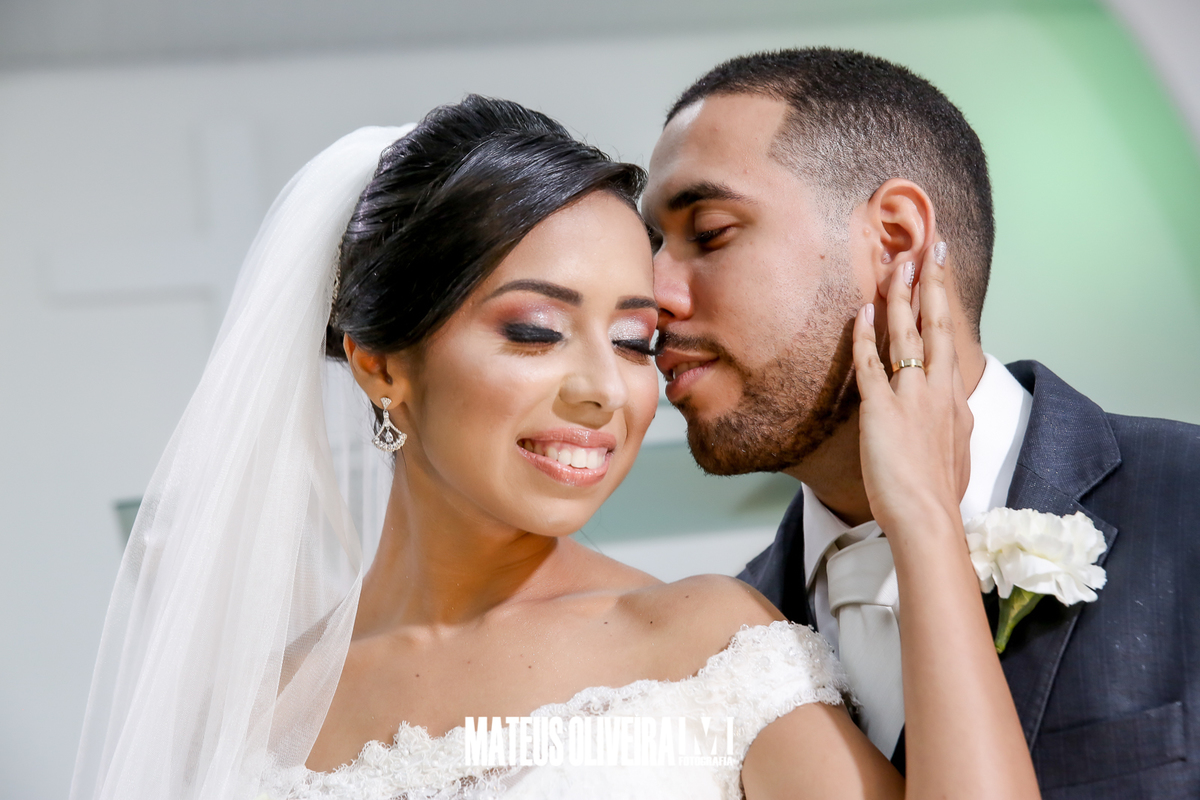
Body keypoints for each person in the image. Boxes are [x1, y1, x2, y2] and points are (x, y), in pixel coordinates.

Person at [72, 95, 1037, 800]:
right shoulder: (251, 716)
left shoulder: (708, 645)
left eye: (634, 341)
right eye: (535, 331)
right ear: (380, 365)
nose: (604, 390)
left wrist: (922, 518)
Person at [643, 47, 1200, 798]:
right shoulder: (715, 655)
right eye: (652, 248)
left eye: (709, 232)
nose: (652, 296)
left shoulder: (1188, 503)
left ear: (896, 242)